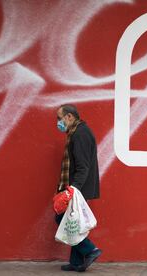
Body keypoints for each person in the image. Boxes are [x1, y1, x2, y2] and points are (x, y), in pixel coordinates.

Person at [55, 104, 102, 272]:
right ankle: (76, 262)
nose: (58, 122)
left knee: (62, 219)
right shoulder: (76, 132)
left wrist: (73, 190)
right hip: (77, 186)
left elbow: (83, 167)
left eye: (59, 118)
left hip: (77, 187)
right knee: (73, 221)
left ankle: (90, 250)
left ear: (69, 117)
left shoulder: (80, 134)